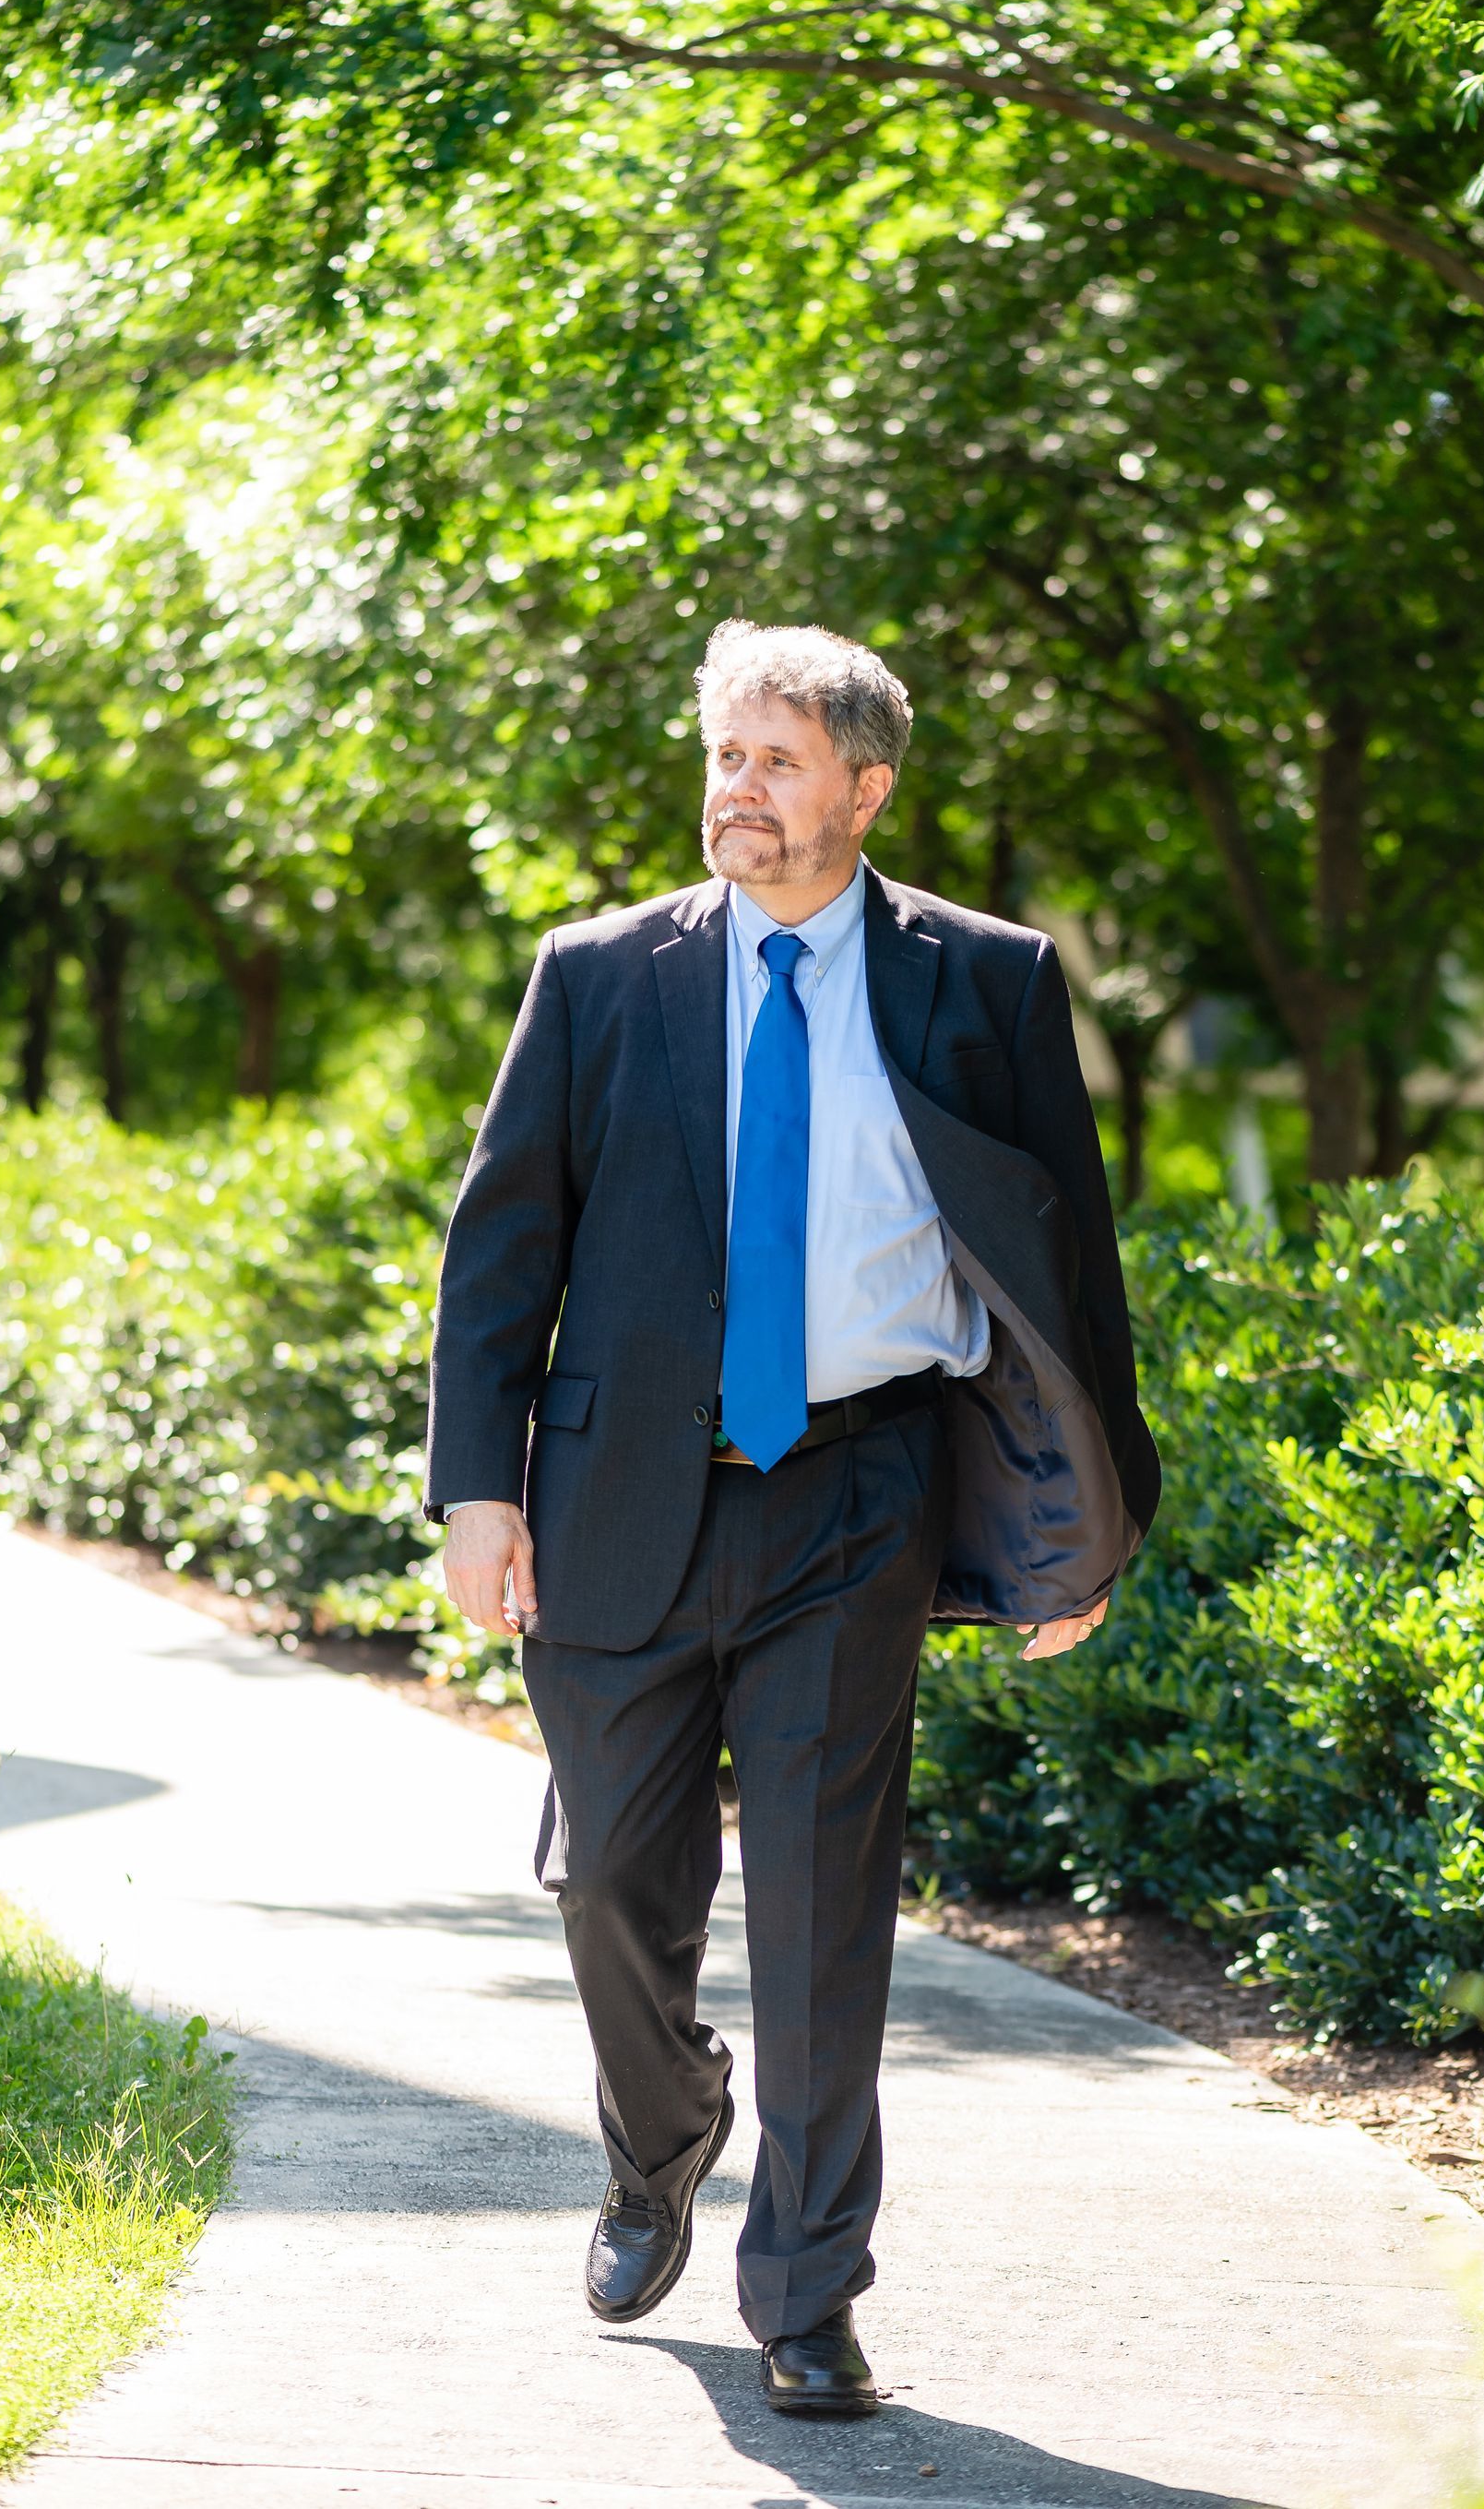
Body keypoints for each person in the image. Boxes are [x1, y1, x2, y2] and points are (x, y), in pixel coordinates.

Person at [428, 620, 1159, 2419]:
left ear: (866, 786)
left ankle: (808, 2293)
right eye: (723, 758)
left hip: (860, 1492)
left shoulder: (985, 984)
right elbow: (501, 1239)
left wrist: (1093, 1522)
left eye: (774, 760)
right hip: (615, 1496)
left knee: (828, 1917)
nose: (735, 793)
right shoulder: (601, 979)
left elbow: (1071, 1263)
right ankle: (662, 2125)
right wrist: (471, 1485)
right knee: (609, 1880)